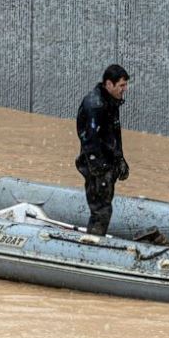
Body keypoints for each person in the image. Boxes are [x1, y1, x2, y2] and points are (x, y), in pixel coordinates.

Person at [75, 64, 131, 236]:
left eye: (125, 85)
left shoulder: (111, 102)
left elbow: (115, 131)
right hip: (96, 165)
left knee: (104, 206)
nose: (125, 89)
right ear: (109, 84)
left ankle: (95, 237)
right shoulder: (95, 104)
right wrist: (99, 171)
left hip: (108, 161)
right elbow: (89, 140)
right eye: (121, 85)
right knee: (101, 210)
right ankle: (92, 243)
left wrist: (120, 158)